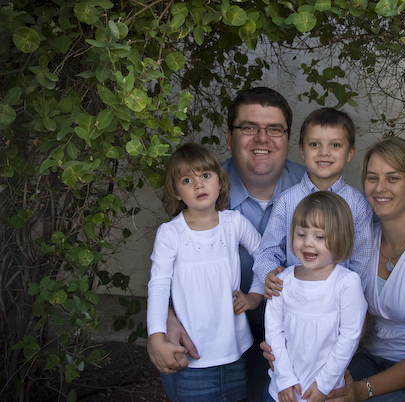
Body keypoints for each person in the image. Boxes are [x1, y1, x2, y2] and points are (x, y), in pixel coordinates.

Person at [264, 137, 405, 401]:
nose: (379, 188)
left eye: (392, 178)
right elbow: (333, 307)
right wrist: (292, 352)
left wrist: (362, 389)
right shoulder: (360, 243)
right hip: (371, 358)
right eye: (372, 178)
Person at [146, 87, 305, 402]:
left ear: (288, 140)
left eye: (274, 129)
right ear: (229, 138)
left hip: (294, 329)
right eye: (249, 127)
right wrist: (165, 320)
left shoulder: (312, 192)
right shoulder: (202, 187)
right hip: (216, 331)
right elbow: (165, 274)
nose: (262, 138)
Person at [146, 143, 263, 401]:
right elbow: (158, 287)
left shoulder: (234, 223)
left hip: (234, 349)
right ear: (176, 192)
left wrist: (255, 296)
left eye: (206, 176)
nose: (199, 185)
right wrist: (156, 336)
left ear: (220, 182)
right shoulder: (170, 234)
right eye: (187, 180)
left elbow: (266, 258)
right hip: (191, 353)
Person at [253, 107, 372, 291]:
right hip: (294, 297)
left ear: (350, 152)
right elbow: (268, 250)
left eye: (335, 145)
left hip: (337, 300)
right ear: (302, 150)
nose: (324, 152)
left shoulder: (358, 204)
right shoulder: (286, 201)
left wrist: (351, 293)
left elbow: (362, 260)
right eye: (314, 144)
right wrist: (269, 274)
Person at [264, 191, 367, 402]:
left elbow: (349, 338)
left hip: (325, 393)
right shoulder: (282, 280)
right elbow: (273, 331)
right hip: (282, 391)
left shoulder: (346, 283)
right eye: (301, 234)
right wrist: (284, 379)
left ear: (341, 239)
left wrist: (323, 385)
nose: (308, 243)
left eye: (319, 237)